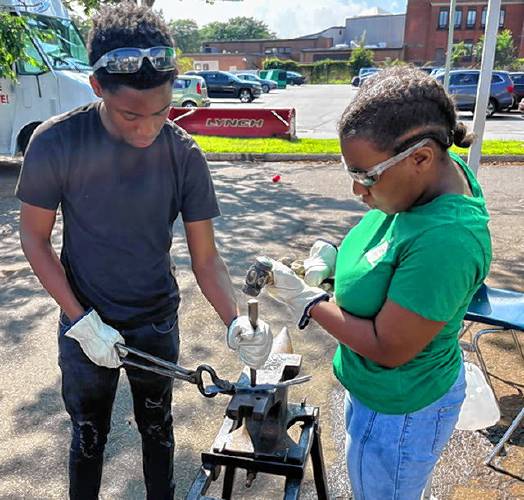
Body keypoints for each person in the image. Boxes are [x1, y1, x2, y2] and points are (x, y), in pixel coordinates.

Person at [15, 4, 271, 499]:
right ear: (97, 88)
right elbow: (35, 238)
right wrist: (80, 319)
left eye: (161, 111)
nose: (147, 128)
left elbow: (206, 259)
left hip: (154, 322)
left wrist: (234, 321)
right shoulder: (56, 143)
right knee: (88, 436)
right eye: (131, 113)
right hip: (84, 319)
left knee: (158, 430)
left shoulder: (183, 154)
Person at [258, 67, 492, 499]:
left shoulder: (447, 240)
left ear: (421, 158)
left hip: (399, 410)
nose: (355, 189)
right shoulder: (430, 177)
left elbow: (389, 347)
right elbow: (393, 256)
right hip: (377, 396)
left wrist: (308, 300)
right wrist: (334, 263)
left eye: (366, 176)